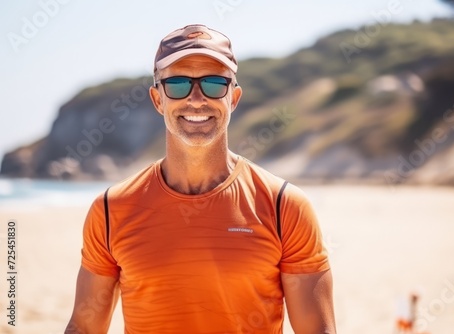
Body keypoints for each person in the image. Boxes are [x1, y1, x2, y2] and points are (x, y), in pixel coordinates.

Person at [65, 24, 337, 334]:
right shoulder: (111, 209)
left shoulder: (283, 206)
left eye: (213, 83)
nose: (196, 99)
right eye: (178, 84)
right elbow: (84, 327)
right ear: (158, 99)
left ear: (233, 98)